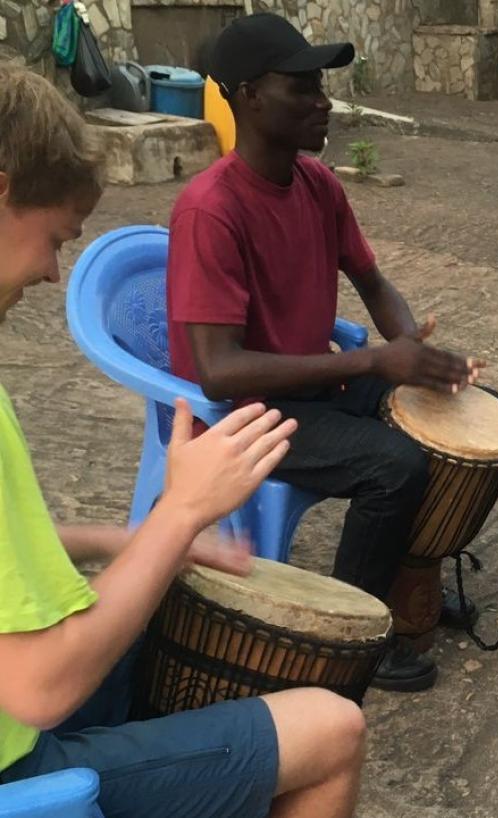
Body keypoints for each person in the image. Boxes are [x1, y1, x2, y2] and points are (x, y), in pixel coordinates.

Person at [0, 65, 365, 818]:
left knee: (156, 602)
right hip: (17, 766)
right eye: (53, 240)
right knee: (333, 729)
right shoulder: (213, 205)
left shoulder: (317, 191)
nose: (50, 272)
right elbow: (40, 688)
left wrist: (131, 539)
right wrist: (179, 512)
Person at [167, 13, 482, 692]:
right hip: (240, 413)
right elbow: (219, 372)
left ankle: (408, 588)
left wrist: (418, 356)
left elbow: (371, 281)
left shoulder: (318, 185)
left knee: (456, 420)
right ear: (247, 95)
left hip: (311, 387)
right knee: (392, 463)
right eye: (302, 86)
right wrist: (372, 362)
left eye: (323, 84)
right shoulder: (210, 210)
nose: (324, 100)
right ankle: (349, 633)